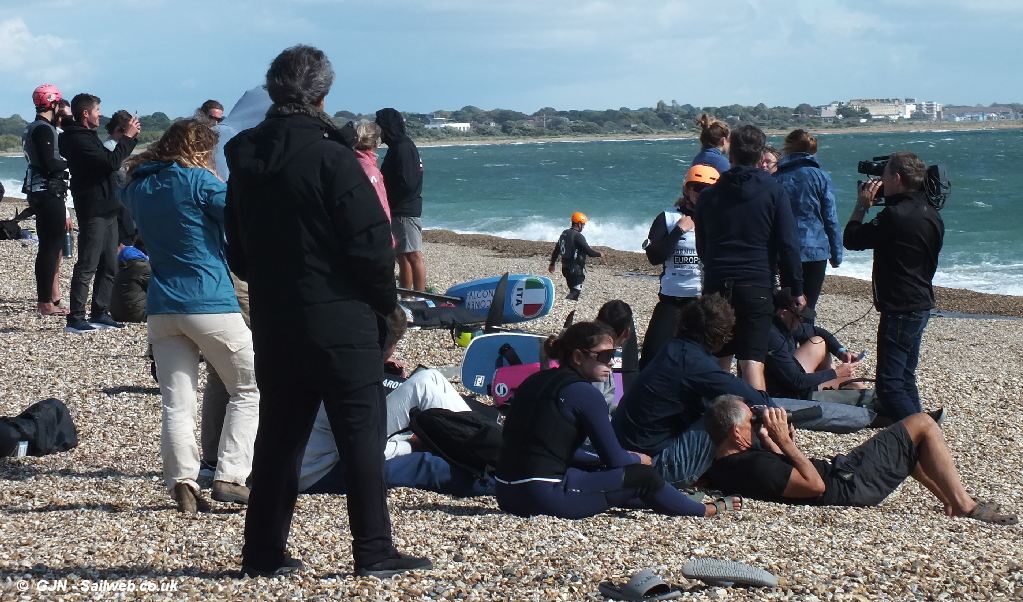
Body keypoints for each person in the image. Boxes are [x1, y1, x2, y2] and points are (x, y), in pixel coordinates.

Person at [225, 45, 430, 578]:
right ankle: (374, 550)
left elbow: (239, 251)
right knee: (360, 433)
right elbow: (369, 245)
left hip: (277, 317)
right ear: (321, 95)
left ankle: (263, 554)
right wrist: (389, 307)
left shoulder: (245, 159)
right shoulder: (334, 156)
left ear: (274, 92)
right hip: (340, 318)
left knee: (279, 437)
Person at [122, 119, 259, 513]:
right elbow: (240, 214)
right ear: (200, 150)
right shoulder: (199, 181)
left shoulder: (138, 186)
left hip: (163, 306)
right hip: (209, 300)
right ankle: (230, 475)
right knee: (248, 388)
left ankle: (182, 482)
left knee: (177, 402)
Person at [496, 321, 740, 520]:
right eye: (605, 356)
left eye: (614, 355)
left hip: (506, 493)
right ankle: (704, 509)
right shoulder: (585, 394)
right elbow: (616, 460)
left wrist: (600, 461)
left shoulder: (533, 381)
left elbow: (543, 448)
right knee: (642, 477)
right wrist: (638, 458)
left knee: (601, 473)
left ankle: (673, 498)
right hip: (542, 496)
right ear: (579, 357)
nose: (611, 362)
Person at [704, 396, 1016, 525]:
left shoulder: (724, 465)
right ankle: (963, 504)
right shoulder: (749, 465)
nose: (754, 423)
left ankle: (952, 501)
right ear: (735, 431)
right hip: (848, 484)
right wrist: (785, 442)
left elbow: (774, 475)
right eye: (749, 422)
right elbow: (814, 486)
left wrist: (777, 443)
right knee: (921, 423)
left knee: (907, 447)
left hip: (845, 476)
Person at [613, 294, 775, 487]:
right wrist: (777, 419)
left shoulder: (674, 349)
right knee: (727, 412)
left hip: (628, 455)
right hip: (655, 466)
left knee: (718, 407)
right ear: (721, 337)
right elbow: (755, 398)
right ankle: (767, 463)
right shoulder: (694, 363)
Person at [694, 125, 804, 391]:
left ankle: (715, 424)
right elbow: (788, 244)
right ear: (760, 156)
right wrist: (796, 289)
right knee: (752, 362)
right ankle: (758, 427)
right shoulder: (774, 191)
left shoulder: (709, 195)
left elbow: (702, 247)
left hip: (718, 283)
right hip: (755, 284)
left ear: (730, 153)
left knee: (718, 358)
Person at [843, 152, 944, 420]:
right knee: (904, 377)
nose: (880, 182)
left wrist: (862, 206)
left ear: (897, 179)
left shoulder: (895, 216)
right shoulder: (930, 212)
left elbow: (851, 239)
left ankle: (922, 437)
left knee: (888, 385)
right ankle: (921, 425)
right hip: (920, 302)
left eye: (884, 176)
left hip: (900, 307)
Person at [59, 93, 140, 333]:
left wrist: (130, 139)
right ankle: (75, 317)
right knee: (88, 263)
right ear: (86, 114)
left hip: (108, 207)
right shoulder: (77, 140)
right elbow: (110, 163)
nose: (100, 115)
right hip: (92, 208)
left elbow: (111, 160)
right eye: (97, 111)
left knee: (109, 264)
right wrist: (127, 138)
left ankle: (100, 312)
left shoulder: (89, 137)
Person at [640, 164, 719, 370]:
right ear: (687, 190)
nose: (702, 194)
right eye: (697, 188)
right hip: (672, 302)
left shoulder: (719, 219)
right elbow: (654, 257)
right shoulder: (667, 218)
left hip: (702, 303)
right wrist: (678, 231)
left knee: (702, 363)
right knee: (651, 359)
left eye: (708, 190)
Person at [773, 130, 841, 313]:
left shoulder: (776, 179)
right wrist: (836, 253)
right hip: (816, 250)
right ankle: (808, 338)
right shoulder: (821, 176)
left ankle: (787, 340)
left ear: (787, 149)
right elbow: (831, 219)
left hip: (785, 251)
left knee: (788, 307)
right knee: (808, 309)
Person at [21, 84, 72, 316]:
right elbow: (50, 164)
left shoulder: (34, 127)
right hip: (47, 192)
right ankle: (45, 303)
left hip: (38, 191)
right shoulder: (42, 129)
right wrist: (73, 162)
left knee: (49, 246)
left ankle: (47, 299)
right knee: (51, 246)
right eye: (59, 104)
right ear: (53, 103)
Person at [765, 288, 863, 400]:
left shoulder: (787, 323)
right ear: (784, 314)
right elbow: (797, 381)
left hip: (793, 378)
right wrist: (836, 373)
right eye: (799, 316)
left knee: (818, 341)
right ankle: (827, 392)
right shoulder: (773, 338)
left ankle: (829, 388)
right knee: (855, 386)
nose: (802, 320)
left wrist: (841, 352)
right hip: (786, 393)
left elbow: (819, 331)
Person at [376, 107, 425, 291]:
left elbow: (408, 182)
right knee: (403, 255)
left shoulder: (402, 148)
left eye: (379, 124)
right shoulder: (399, 146)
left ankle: (420, 296)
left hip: (404, 209)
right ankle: (408, 296)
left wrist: (391, 200)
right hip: (402, 208)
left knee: (413, 255)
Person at [548, 212, 601, 301]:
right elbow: (589, 252)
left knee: (573, 292)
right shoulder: (578, 236)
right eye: (583, 224)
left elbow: (556, 250)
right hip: (575, 270)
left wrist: (552, 264)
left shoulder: (564, 233)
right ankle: (565, 303)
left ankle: (570, 309)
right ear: (578, 223)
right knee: (575, 292)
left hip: (565, 269)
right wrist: (600, 254)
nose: (583, 227)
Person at [354, 120, 392, 226]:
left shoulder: (350, 162)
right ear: (376, 142)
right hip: (373, 229)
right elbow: (379, 204)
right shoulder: (370, 170)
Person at [108, 244, 149, 324]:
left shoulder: (122, 263)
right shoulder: (142, 265)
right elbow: (156, 289)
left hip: (116, 314)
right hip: (135, 315)